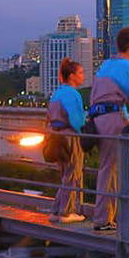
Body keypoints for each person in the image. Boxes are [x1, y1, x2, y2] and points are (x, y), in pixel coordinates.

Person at [89, 26, 129, 232]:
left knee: (112, 168)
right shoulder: (125, 67)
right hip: (111, 120)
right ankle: (104, 220)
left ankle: (108, 217)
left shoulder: (108, 64)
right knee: (115, 169)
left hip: (100, 119)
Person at [46, 57, 87, 223]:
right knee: (73, 173)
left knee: (65, 174)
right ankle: (66, 211)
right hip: (69, 136)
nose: (83, 76)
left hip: (55, 135)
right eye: (81, 73)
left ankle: (56, 210)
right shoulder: (72, 94)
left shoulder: (57, 93)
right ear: (72, 76)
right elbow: (77, 120)